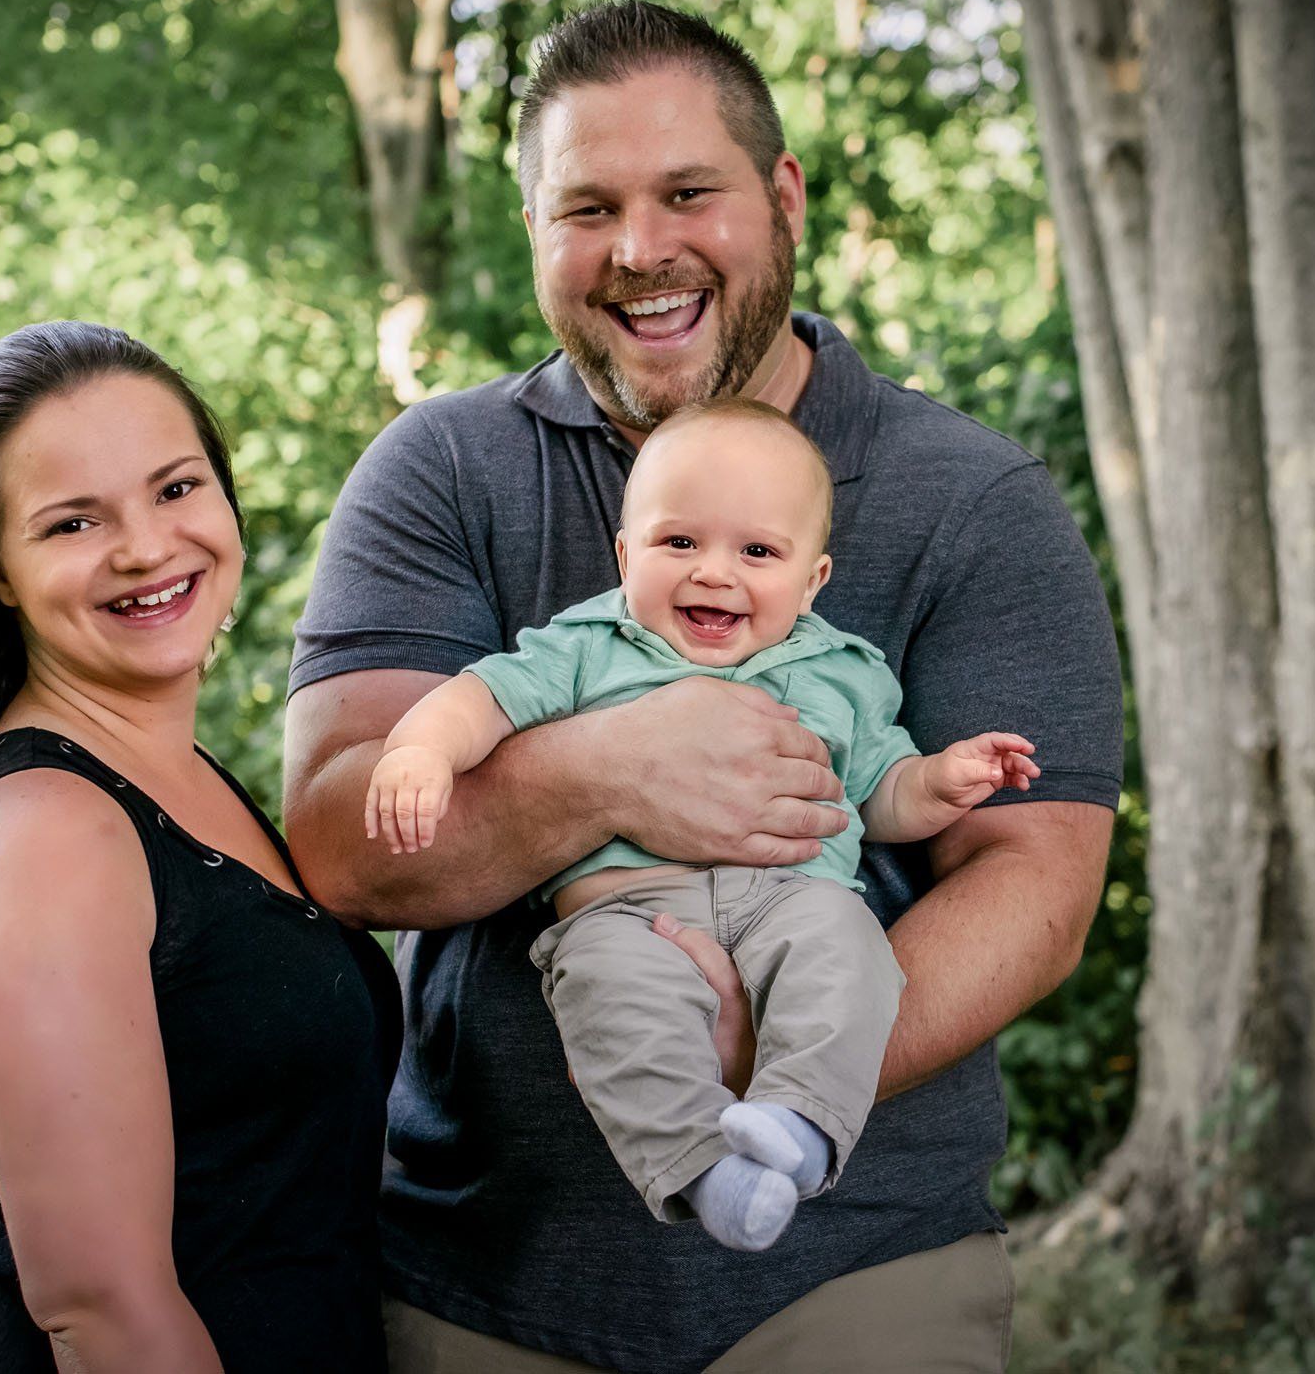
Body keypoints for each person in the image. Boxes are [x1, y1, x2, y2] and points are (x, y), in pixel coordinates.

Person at [284, 0, 1124, 1371]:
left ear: (781, 196)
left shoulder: (971, 498)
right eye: (586, 207)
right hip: (485, 1282)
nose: (639, 251)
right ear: (535, 227)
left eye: (688, 193)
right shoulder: (441, 470)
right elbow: (345, 845)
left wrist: (760, 1049)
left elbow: (1035, 889)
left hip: (856, 1274)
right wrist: (608, 768)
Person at [0, 321, 403, 1372]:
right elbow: (104, 1309)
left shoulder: (174, 780)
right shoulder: (49, 833)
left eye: (176, 488)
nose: (145, 545)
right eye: (72, 521)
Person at [364, 398, 1041, 1255]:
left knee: (852, 948)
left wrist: (940, 781)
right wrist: (421, 749)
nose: (714, 573)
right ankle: (706, 1173)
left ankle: (798, 1122)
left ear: (813, 580)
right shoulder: (589, 646)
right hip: (629, 911)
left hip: (793, 897)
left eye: (757, 551)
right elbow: (484, 695)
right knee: (614, 1002)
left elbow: (877, 793)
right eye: (678, 542)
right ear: (624, 553)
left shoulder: (840, 673)